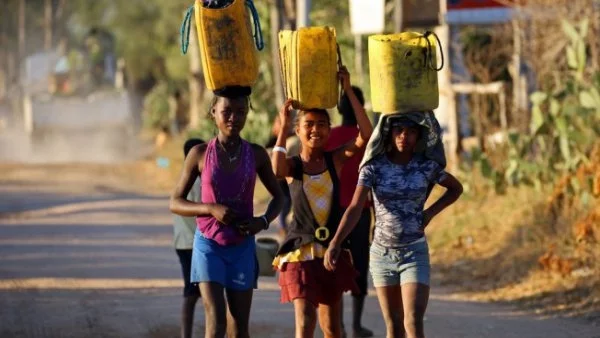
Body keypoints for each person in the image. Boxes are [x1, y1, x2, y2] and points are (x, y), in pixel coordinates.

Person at [324, 115, 463, 338]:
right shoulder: (373, 167)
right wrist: (335, 242)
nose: (404, 136)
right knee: (394, 325)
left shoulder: (426, 166)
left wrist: (429, 214)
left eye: (411, 131)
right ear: (389, 133)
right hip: (382, 254)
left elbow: (456, 189)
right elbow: (355, 207)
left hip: (414, 252)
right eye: (398, 130)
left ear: (419, 135)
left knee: (413, 322)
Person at [170, 91, 284, 338]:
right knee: (217, 322)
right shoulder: (199, 154)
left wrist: (262, 222)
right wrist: (209, 208)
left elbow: (280, 197)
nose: (234, 117)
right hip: (209, 246)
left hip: (242, 247)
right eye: (227, 112)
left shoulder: (256, 154)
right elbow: (175, 202)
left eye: (241, 112)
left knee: (240, 327)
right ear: (214, 113)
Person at [271, 66, 373, 338]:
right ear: (299, 130)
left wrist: (348, 90)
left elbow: (366, 133)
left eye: (322, 124)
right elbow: (276, 169)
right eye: (309, 125)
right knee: (305, 323)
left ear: (330, 129)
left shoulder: (335, 160)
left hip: (331, 252)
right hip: (300, 253)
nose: (315, 130)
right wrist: (283, 125)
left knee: (332, 329)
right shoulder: (294, 166)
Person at [324, 86, 373, 338]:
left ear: (339, 109)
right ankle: (355, 325)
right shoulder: (369, 139)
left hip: (333, 213)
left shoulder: (328, 137)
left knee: (335, 264)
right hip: (361, 212)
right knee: (359, 267)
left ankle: (339, 325)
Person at [173, 138, 204, 338]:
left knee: (194, 293)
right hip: (196, 244)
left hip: (183, 242)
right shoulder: (200, 181)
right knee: (200, 294)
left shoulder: (181, 179)